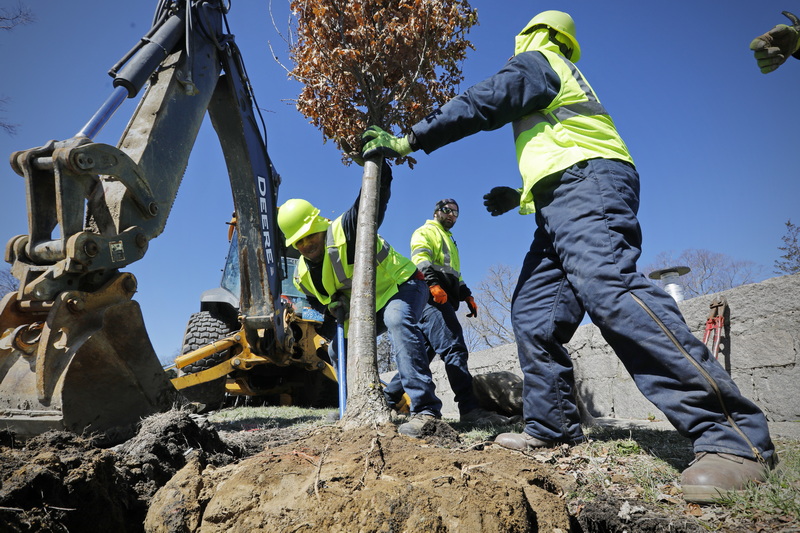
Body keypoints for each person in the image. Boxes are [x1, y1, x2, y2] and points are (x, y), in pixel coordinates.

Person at [361, 10, 776, 504]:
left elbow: (485, 101)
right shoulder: (559, 74)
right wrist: (522, 195)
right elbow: (563, 146)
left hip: (588, 187)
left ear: (533, 36)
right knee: (534, 314)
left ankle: (732, 436)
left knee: (610, 289)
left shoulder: (540, 60)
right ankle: (552, 425)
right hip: (562, 197)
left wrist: (411, 138)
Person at [277, 162, 446, 438]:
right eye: (298, 242)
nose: (306, 245)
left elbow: (373, 199)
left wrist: (379, 162)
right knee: (335, 350)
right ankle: (355, 407)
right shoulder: (301, 274)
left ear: (320, 224)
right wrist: (330, 308)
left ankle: (426, 411)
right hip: (370, 305)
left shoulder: (346, 229)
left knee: (397, 318)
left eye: (310, 236)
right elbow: (321, 305)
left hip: (403, 284)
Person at [382, 198, 511, 426]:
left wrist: (466, 294)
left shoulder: (450, 240)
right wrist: (432, 285)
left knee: (420, 354)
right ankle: (470, 409)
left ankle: (387, 398)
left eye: (456, 213)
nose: (452, 215)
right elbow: (420, 260)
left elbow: (454, 275)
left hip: (443, 299)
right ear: (436, 212)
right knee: (455, 348)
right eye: (448, 210)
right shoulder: (425, 231)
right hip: (431, 299)